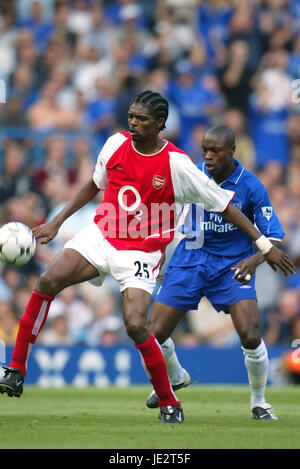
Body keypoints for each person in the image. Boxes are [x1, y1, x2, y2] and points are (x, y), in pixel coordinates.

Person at [0, 93, 294, 424]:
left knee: (137, 326)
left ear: (159, 124)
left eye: (141, 119)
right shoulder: (114, 144)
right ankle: (16, 368)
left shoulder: (178, 163)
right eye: (131, 116)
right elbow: (94, 185)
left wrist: (264, 247)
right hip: (102, 235)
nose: (133, 123)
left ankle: (170, 400)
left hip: (141, 250)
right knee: (47, 280)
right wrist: (57, 221)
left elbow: (225, 206)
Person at [146, 125, 294, 421]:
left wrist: (254, 260)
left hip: (232, 265)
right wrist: (157, 255)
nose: (208, 156)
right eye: (205, 150)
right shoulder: (190, 174)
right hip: (190, 258)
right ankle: (175, 378)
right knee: (152, 333)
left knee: (251, 334)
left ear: (232, 151)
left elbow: (273, 234)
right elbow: (163, 214)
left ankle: (259, 402)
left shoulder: (251, 185)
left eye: (215, 151)